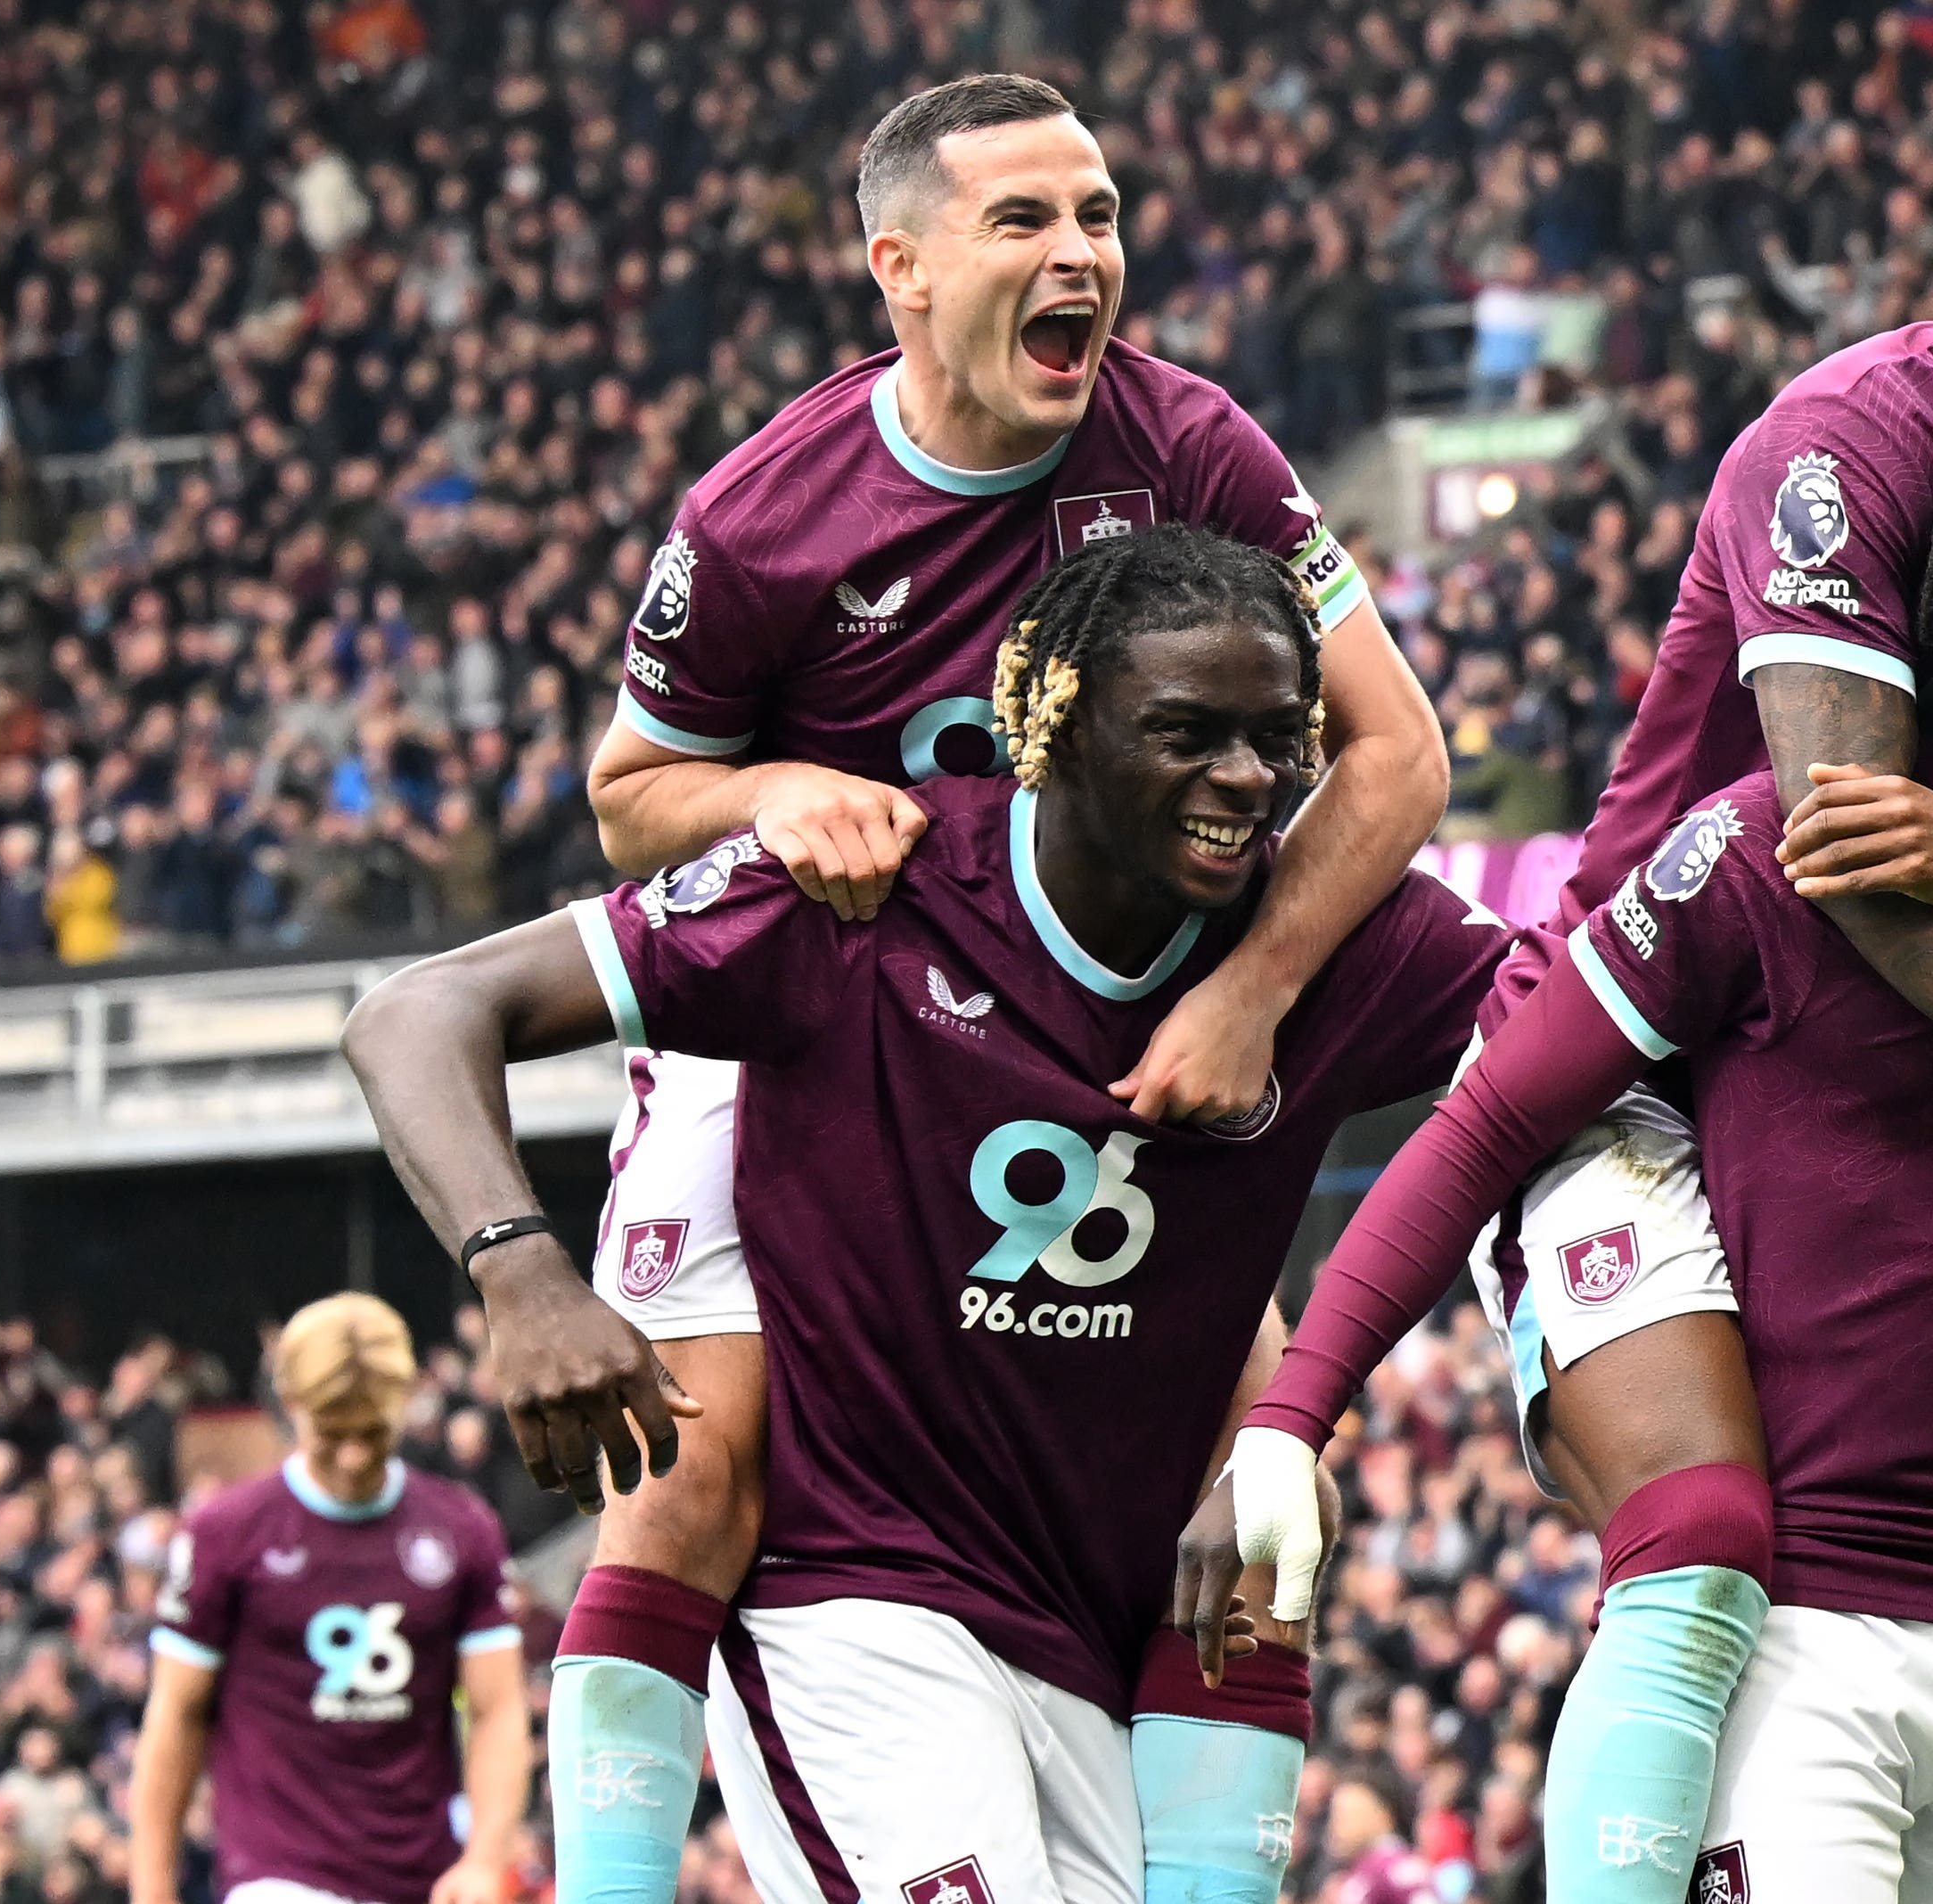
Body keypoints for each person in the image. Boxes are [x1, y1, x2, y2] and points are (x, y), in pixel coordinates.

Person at [1221, 39, 1933, 1904]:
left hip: (1922, 1081)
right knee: (1705, 1542)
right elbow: (1844, 856)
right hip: (1669, 1056)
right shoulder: (1846, 445)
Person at [542, 73, 1447, 1904]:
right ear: (901, 264)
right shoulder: (764, 518)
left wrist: (1259, 989)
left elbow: (1399, 754)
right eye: (1025, 220)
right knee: (702, 1477)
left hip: (1103, 1033)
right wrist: (778, 789)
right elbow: (629, 798)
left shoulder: (1193, 449)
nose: (1081, 256)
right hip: (812, 1024)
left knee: (1262, 1496)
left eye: (1100, 215)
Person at [342, 529, 1511, 1904]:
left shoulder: (1344, 948)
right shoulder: (857, 899)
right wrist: (523, 1273)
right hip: (854, 1617)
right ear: (1053, 724)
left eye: (1277, 738)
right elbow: (419, 1012)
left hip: (1079, 1649)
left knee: (1274, 1512)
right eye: (1189, 733)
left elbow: (1597, 1024)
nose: (1248, 782)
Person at [127, 1293, 528, 1904]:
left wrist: (485, 1857)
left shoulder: (461, 1529)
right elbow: (176, 1713)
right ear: (290, 1405)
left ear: (404, 1401)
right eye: (333, 1432)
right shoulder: (225, 1534)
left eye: (371, 1431)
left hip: (422, 1872)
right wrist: (152, 1888)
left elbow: (497, 1708)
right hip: (277, 1873)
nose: (352, 1455)